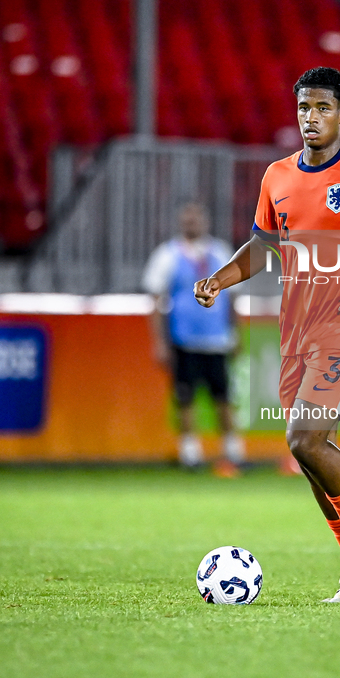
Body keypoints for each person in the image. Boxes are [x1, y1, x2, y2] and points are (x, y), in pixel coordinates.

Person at [194, 67, 340, 601]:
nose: (311, 117)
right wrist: (220, 279)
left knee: (303, 438)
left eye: (323, 108)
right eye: (304, 107)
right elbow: (260, 247)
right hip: (295, 332)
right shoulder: (277, 176)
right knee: (307, 453)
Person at [142, 202, 245, 475]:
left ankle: (232, 451)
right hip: (183, 340)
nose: (192, 224)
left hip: (217, 339)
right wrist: (159, 341)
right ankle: (190, 452)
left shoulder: (221, 252)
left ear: (205, 222)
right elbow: (155, 299)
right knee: (185, 397)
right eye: (187, 220)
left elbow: (233, 295)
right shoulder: (167, 255)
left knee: (223, 396)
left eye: (196, 219)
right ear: (180, 223)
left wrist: (236, 332)